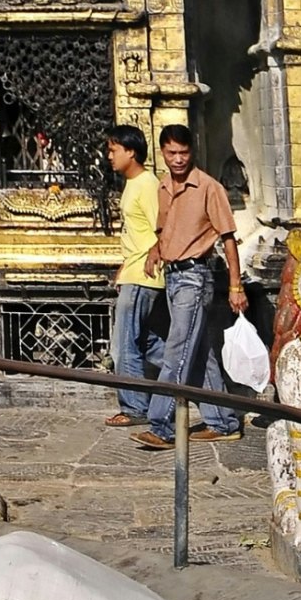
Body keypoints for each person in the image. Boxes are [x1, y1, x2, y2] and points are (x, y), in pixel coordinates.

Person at [144, 122, 243, 443]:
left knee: (177, 351)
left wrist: (235, 286)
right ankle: (223, 421)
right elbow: (164, 230)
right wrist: (155, 251)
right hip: (172, 276)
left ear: (192, 152)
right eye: (171, 153)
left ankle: (161, 425)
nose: (178, 159)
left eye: (183, 153)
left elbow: (228, 239)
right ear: (162, 153)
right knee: (199, 352)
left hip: (195, 277)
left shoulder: (209, 187)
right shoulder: (161, 187)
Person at [102, 127, 169, 438]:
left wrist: (150, 258)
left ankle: (134, 408)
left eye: (114, 150)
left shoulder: (146, 184)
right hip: (134, 271)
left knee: (124, 344)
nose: (109, 156)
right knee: (148, 343)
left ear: (131, 151)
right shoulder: (132, 185)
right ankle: (190, 377)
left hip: (143, 276)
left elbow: (162, 227)